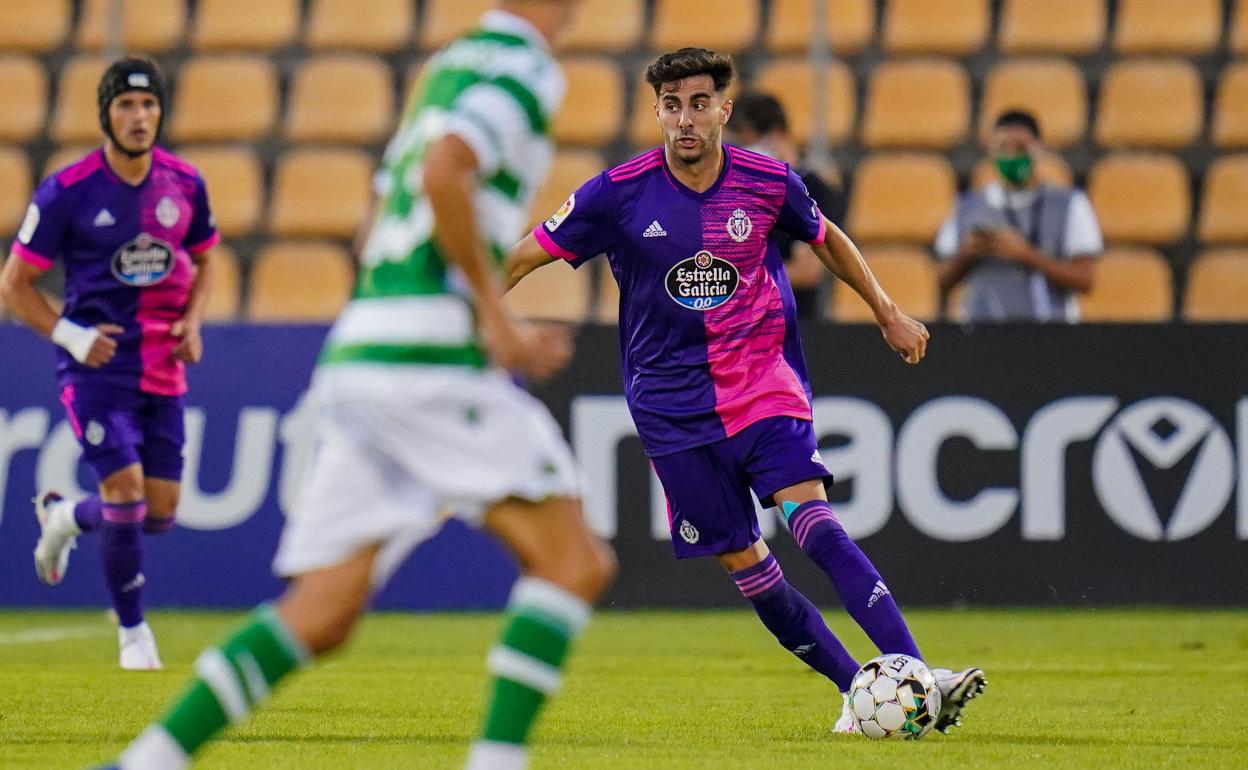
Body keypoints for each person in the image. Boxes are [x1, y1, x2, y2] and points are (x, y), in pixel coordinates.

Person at [99, 3, 614, 769]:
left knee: (321, 612)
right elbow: (445, 172)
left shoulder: (450, 65)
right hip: (427, 359)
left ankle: (144, 762)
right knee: (574, 563)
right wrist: (493, 319)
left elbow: (376, 221)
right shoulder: (524, 67)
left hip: (362, 353)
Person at [506, 48, 985, 735]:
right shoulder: (616, 192)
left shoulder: (767, 180)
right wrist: (466, 326)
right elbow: (522, 257)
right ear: (658, 112)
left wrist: (886, 309)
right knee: (748, 565)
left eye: (699, 103)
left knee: (812, 520)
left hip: (762, 384)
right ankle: (862, 691)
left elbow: (827, 238)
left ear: (724, 109)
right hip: (670, 412)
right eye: (671, 106)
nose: (685, 119)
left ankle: (913, 672)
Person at [0, 56, 220, 671]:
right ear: (106, 114)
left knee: (159, 512)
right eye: (126, 105)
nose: (139, 117)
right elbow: (14, 284)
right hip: (96, 368)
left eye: (148, 105)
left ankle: (66, 516)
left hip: (162, 367)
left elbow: (205, 259)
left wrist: (193, 321)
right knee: (123, 493)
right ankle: (133, 635)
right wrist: (68, 335)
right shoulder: (67, 192)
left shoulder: (184, 184)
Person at [935, 109, 1102, 322]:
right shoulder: (967, 207)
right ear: (992, 152)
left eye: (1021, 148)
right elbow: (940, 281)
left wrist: (1026, 255)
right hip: (983, 331)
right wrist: (968, 253)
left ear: (1038, 149)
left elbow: (1085, 280)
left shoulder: (1069, 204)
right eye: (1003, 148)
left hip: (1049, 331)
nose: (1012, 156)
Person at [727, 91, 846, 319]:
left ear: (774, 135)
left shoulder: (814, 188)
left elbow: (807, 272)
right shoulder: (739, 189)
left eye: (745, 141)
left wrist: (737, 285)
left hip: (795, 323)